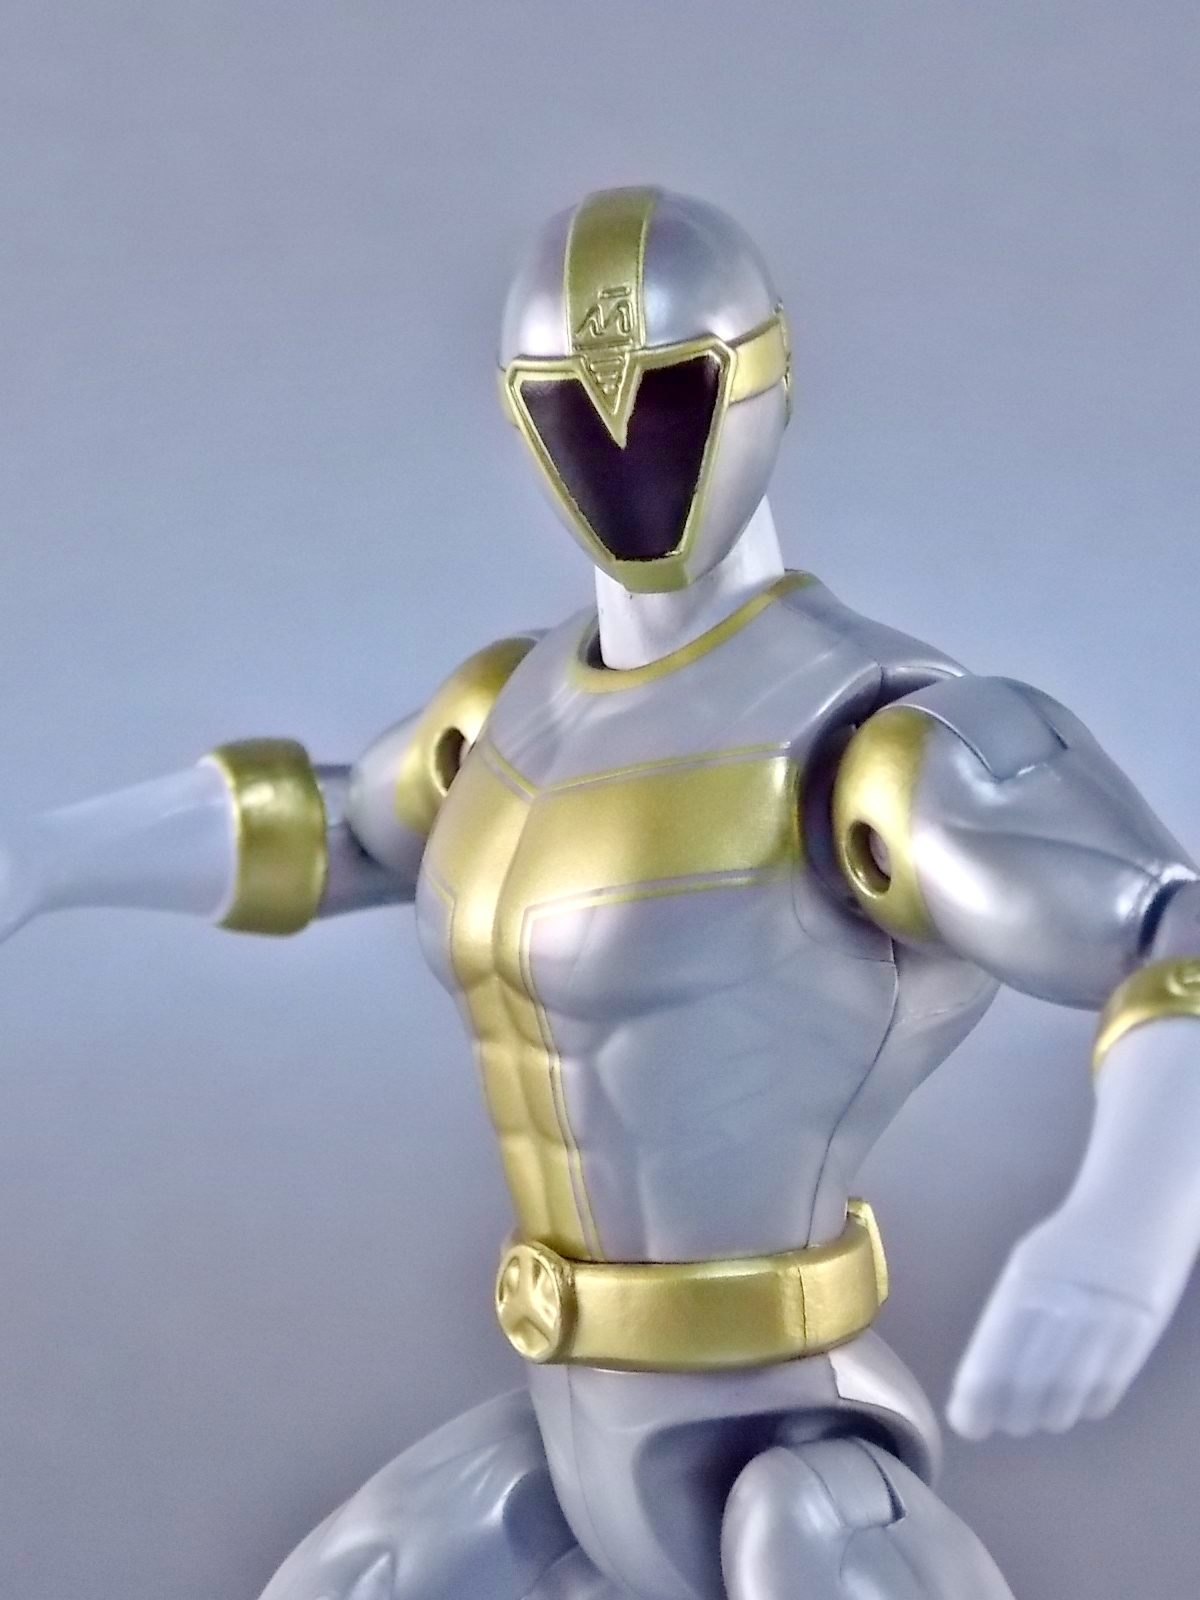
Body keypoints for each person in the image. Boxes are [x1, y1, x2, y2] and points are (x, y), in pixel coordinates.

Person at [4, 186, 1200, 1600]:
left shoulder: (875, 737)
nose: (627, 442)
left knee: (812, 1555)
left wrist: (1131, 1222)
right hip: (571, 1410)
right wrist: (45, 857)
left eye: (672, 397)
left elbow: (1167, 928)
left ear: (763, 384)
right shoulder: (506, 713)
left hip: (785, 1429)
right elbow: (336, 830)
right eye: (576, 407)